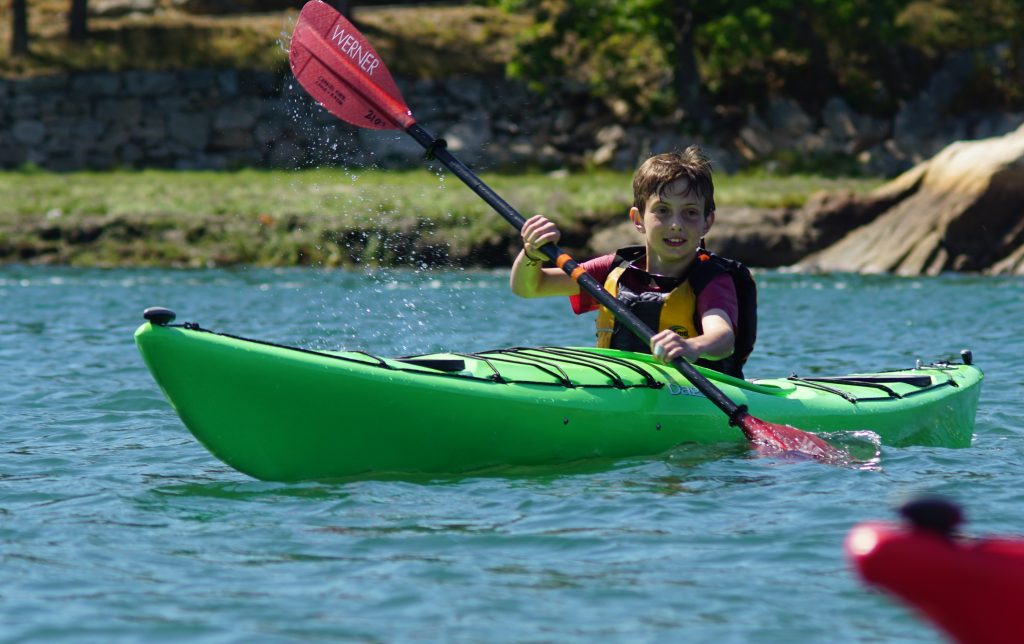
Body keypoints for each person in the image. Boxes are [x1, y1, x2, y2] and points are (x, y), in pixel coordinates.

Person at [509, 146, 756, 378]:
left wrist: (691, 346)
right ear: (638, 219)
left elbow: (722, 338)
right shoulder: (614, 269)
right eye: (662, 210)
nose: (676, 224)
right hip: (621, 387)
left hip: (691, 393)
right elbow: (530, 287)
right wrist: (531, 255)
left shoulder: (711, 279)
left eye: (690, 212)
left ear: (707, 222)